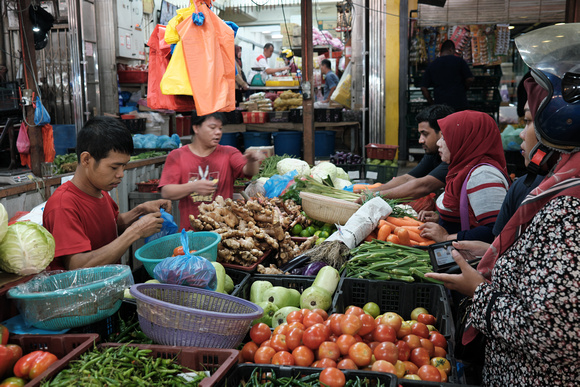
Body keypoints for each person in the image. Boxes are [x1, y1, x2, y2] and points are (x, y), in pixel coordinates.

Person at [425, 23, 580, 386]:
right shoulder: (562, 189)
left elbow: (552, 330)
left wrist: (478, 291)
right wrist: (495, 252)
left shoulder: (571, 209)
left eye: (528, 120)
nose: (523, 132)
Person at [43, 116, 171, 270]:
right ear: (86, 160)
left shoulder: (100, 192)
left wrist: (140, 210)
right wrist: (135, 232)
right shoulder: (63, 205)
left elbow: (112, 224)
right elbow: (78, 265)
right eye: (114, 167)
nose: (121, 174)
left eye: (123, 166)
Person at [158, 112, 262, 231]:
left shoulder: (229, 153)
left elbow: (248, 171)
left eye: (220, 128)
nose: (218, 132)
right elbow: (166, 192)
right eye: (212, 128)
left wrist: (252, 161)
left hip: (222, 232)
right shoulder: (177, 155)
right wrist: (193, 186)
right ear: (196, 128)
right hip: (191, 232)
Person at [418, 111, 510, 243]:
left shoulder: (483, 176)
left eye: (445, 137)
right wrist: (441, 219)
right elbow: (471, 216)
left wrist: (446, 237)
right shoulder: (463, 169)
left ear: (465, 139)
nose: (439, 143)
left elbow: (493, 231)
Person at [358, 105, 454, 202]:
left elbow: (423, 186)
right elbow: (407, 178)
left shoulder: (453, 156)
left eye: (425, 134)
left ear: (443, 132)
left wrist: (376, 195)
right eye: (420, 134)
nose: (420, 140)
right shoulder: (433, 152)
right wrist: (371, 192)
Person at [421, 40, 474, 111]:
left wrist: (431, 102)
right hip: (459, 103)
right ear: (451, 49)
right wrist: (464, 88)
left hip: (440, 106)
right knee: (459, 122)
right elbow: (470, 79)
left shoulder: (432, 65)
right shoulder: (459, 62)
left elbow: (424, 88)